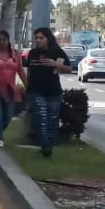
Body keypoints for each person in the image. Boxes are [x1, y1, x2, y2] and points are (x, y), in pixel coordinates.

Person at [24, 27, 69, 157]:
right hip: (35, 91)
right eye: (36, 38)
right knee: (40, 117)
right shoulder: (33, 53)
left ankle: (49, 145)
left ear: (48, 38)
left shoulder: (57, 52)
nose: (38, 40)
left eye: (41, 38)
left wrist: (55, 64)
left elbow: (68, 68)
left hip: (53, 92)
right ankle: (44, 145)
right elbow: (29, 72)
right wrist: (27, 87)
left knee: (52, 120)